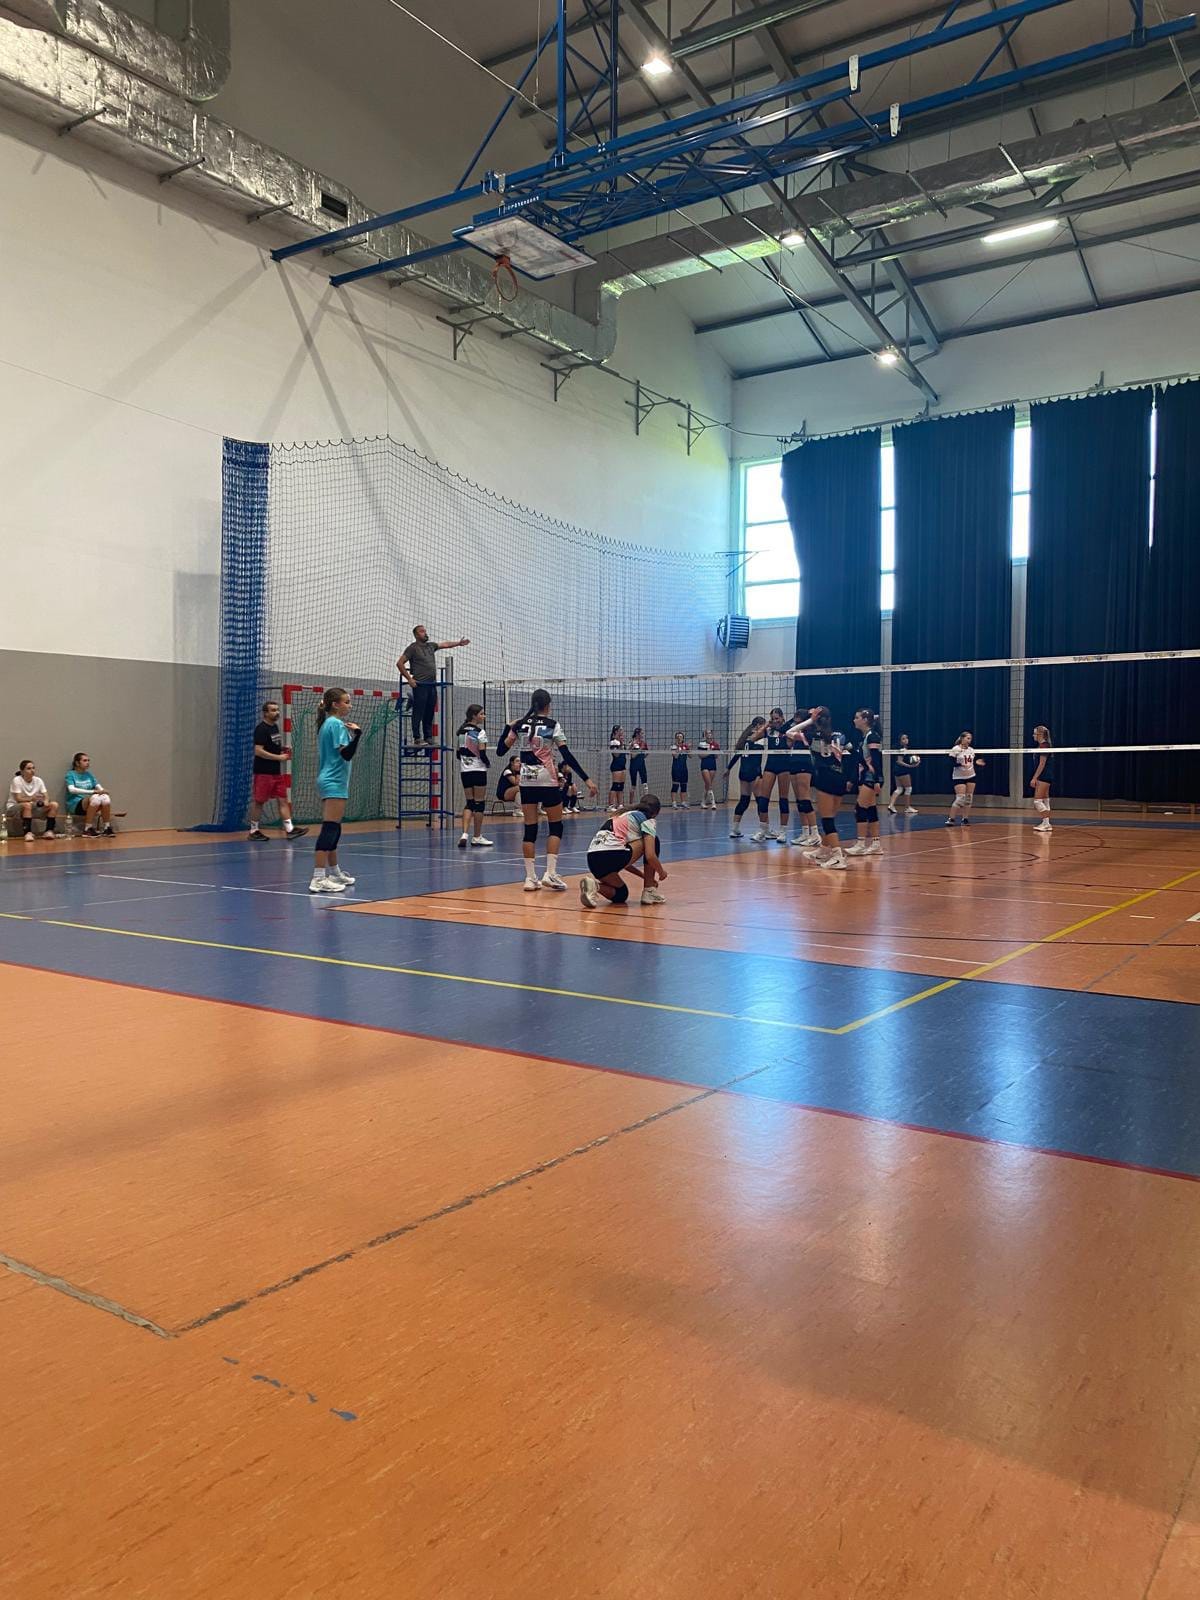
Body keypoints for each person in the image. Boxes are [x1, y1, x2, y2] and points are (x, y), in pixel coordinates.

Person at [501, 688, 597, 891]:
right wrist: (587, 779)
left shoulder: (520, 725)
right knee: (555, 827)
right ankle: (550, 874)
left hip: (526, 782)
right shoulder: (553, 725)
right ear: (548, 705)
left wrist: (508, 727)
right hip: (547, 780)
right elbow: (567, 756)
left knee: (530, 829)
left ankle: (530, 878)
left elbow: (501, 750)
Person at [310, 688, 361, 894]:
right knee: (330, 828)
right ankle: (318, 877)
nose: (350, 705)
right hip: (334, 781)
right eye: (346, 702)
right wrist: (358, 735)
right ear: (335, 704)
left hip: (332, 780)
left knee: (335, 828)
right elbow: (346, 754)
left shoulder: (327, 724)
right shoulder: (337, 724)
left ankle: (334, 872)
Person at [580, 794, 667, 909]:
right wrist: (661, 872)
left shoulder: (621, 814)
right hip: (611, 855)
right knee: (654, 841)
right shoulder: (647, 820)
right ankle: (649, 891)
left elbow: (625, 862)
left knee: (621, 894)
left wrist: (644, 876)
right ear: (656, 813)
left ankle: (594, 886)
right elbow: (650, 855)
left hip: (593, 859)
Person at [396, 625, 469, 748]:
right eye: (421, 631)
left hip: (432, 684)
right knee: (418, 711)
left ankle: (428, 736)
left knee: (429, 711)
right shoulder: (412, 648)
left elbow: (445, 644)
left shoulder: (431, 646)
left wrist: (458, 643)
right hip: (420, 684)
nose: (425, 633)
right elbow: (399, 663)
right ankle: (417, 738)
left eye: (425, 631)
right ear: (416, 635)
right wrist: (409, 679)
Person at [249, 700, 308, 843]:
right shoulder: (261, 729)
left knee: (283, 799)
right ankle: (253, 831)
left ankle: (289, 829)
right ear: (265, 713)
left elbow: (271, 746)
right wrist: (279, 757)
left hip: (276, 772)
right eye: (273, 710)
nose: (277, 712)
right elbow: (258, 751)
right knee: (259, 801)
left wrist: (282, 749)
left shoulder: (274, 727)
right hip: (263, 772)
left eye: (277, 710)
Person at [801, 707, 849, 870]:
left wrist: (810, 720)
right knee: (831, 817)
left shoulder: (812, 736)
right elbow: (851, 753)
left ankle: (837, 856)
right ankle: (823, 850)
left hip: (825, 778)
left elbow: (789, 732)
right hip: (840, 777)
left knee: (827, 819)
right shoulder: (839, 735)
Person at [845, 708, 884, 858]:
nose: (854, 720)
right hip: (864, 776)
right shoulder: (865, 737)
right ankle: (876, 844)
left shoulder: (872, 736)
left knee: (860, 809)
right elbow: (861, 760)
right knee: (871, 809)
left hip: (870, 777)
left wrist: (878, 780)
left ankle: (861, 844)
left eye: (857, 717)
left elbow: (876, 760)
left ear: (865, 720)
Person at [456, 704, 493, 848]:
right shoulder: (480, 732)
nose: (484, 716)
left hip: (465, 771)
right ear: (474, 716)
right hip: (478, 770)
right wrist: (487, 763)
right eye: (481, 714)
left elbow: (458, 753)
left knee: (469, 803)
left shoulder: (461, 731)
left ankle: (464, 834)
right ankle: (477, 836)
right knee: (479, 804)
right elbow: (482, 753)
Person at [754, 708, 791, 843]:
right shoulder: (769, 731)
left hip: (784, 766)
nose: (775, 721)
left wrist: (786, 733)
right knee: (763, 799)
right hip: (770, 766)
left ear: (782, 718)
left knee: (783, 799)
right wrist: (766, 725)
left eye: (777, 718)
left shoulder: (788, 731)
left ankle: (783, 831)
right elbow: (754, 737)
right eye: (773, 719)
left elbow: (791, 743)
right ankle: (763, 830)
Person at [727, 716, 767, 838]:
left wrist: (728, 768)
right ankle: (764, 830)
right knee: (761, 801)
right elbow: (756, 758)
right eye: (763, 725)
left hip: (743, 772)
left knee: (744, 800)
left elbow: (737, 755)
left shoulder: (745, 737)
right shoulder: (759, 737)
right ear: (758, 725)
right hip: (754, 772)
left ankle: (734, 829)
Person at [784, 713, 818, 848]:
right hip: (794, 763)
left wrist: (809, 720)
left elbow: (788, 732)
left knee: (805, 799)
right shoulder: (797, 733)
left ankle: (814, 833)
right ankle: (805, 833)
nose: (795, 723)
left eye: (798, 721)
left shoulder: (808, 734)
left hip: (804, 764)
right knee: (799, 800)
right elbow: (787, 738)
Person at [65, 753, 116, 837]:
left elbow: (99, 788)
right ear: (77, 763)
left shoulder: (89, 775)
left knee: (105, 798)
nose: (87, 762)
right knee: (95, 798)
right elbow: (72, 790)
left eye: (88, 760)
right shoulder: (70, 774)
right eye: (85, 760)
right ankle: (87, 829)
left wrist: (103, 791)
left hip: (91, 802)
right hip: (75, 804)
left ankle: (107, 827)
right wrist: (93, 792)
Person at [7, 760, 59, 842]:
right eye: (29, 768)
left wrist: (46, 801)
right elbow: (18, 799)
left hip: (32, 808)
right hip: (15, 808)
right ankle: (28, 833)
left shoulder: (38, 780)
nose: (32, 770)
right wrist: (32, 798)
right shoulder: (17, 780)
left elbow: (46, 795)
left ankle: (49, 831)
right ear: (22, 771)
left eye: (33, 768)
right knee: (27, 805)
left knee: (54, 805)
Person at [946, 731, 985, 826]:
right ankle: (951, 819)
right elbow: (950, 763)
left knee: (968, 798)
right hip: (959, 777)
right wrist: (960, 764)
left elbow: (972, 762)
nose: (969, 740)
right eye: (967, 738)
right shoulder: (956, 749)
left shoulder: (971, 750)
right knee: (960, 798)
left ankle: (965, 819)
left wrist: (978, 763)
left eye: (970, 739)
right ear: (962, 738)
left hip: (971, 776)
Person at [888, 734, 920, 816]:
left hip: (896, 770)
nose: (906, 740)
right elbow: (899, 761)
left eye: (906, 738)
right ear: (900, 741)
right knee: (908, 788)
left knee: (899, 789)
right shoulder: (902, 749)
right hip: (902, 770)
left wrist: (916, 759)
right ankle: (907, 807)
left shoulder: (905, 748)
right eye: (903, 739)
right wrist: (910, 766)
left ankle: (891, 805)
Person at [1030, 725, 1054, 834]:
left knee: (1037, 801)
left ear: (1040, 734)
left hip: (1044, 776)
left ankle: (1047, 823)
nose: (1033, 735)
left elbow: (1042, 764)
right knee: (1045, 800)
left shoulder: (1044, 746)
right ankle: (1046, 824)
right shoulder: (1043, 745)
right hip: (1046, 776)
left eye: (1035, 733)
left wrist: (1034, 778)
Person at [697, 729, 720, 809]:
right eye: (707, 733)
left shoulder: (715, 744)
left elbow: (716, 756)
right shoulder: (702, 744)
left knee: (708, 785)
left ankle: (703, 802)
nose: (709, 734)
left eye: (710, 733)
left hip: (712, 765)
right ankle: (713, 803)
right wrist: (709, 751)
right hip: (705, 765)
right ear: (705, 735)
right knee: (709, 784)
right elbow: (700, 756)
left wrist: (714, 751)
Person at [606, 726, 627, 812]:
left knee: (621, 786)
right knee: (615, 786)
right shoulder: (613, 742)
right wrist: (621, 745)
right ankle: (610, 805)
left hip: (623, 766)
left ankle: (620, 804)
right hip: (616, 766)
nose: (622, 732)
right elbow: (616, 755)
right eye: (620, 730)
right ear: (616, 732)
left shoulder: (621, 742)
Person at [669, 732, 690, 808]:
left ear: (683, 738)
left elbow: (690, 756)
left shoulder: (685, 746)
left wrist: (688, 748)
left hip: (684, 768)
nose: (679, 738)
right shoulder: (673, 746)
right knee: (675, 785)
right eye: (678, 737)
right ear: (676, 738)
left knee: (684, 786)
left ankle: (683, 802)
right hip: (676, 768)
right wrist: (678, 746)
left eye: (681, 737)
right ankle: (674, 803)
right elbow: (676, 756)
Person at [628, 729, 649, 798]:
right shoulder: (632, 743)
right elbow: (632, 755)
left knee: (645, 784)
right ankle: (631, 802)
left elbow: (647, 753)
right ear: (637, 734)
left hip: (641, 764)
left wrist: (642, 756)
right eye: (641, 733)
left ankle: (646, 800)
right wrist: (637, 749)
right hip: (634, 765)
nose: (643, 735)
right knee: (633, 785)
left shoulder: (643, 743)